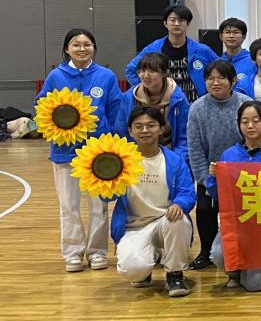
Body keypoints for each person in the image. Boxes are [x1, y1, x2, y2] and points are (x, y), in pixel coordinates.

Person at [37, 28, 126, 272]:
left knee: (99, 206)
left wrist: (113, 144)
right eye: (76, 44)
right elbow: (41, 106)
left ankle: (97, 252)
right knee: (69, 205)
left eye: (87, 44)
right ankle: (73, 252)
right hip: (65, 151)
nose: (82, 48)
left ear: (94, 48)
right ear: (67, 49)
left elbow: (115, 110)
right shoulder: (56, 76)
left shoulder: (106, 76)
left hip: (99, 152)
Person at [110, 106, 195, 297]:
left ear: (161, 129)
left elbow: (188, 192)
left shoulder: (174, 160)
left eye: (151, 125)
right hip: (134, 227)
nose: (145, 130)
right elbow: (107, 196)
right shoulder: (119, 160)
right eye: (138, 126)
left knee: (178, 220)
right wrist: (103, 178)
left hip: (164, 221)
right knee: (133, 271)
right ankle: (147, 263)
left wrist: (179, 204)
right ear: (130, 131)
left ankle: (175, 274)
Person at [210, 100, 261, 292]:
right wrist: (213, 178)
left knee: (255, 285)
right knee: (218, 254)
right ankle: (237, 273)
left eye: (255, 120)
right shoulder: (229, 154)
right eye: (244, 122)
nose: (250, 126)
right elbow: (218, 195)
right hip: (238, 223)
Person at [186, 59, 249, 270]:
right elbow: (195, 148)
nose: (215, 83)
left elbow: (253, 139)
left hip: (241, 172)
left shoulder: (245, 104)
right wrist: (205, 179)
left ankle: (243, 250)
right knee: (205, 209)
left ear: (233, 81)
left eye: (221, 78)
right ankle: (206, 253)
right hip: (210, 172)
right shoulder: (197, 108)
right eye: (210, 78)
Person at [126, 4, 218, 104]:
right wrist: (148, 90)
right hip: (165, 105)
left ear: (188, 24)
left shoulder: (202, 50)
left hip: (196, 104)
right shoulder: (153, 48)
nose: (177, 24)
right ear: (165, 23)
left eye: (181, 20)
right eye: (172, 20)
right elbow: (131, 70)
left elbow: (222, 69)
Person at [118, 52, 189, 163]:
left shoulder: (179, 99)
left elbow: (184, 137)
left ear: (165, 73)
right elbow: (121, 132)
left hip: (170, 154)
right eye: (142, 71)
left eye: (152, 71)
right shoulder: (128, 97)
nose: (146, 75)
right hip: (135, 156)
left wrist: (175, 162)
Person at [218, 17, 254, 84]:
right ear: (221, 36)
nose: (231, 36)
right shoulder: (217, 62)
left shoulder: (253, 61)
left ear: (243, 36)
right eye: (227, 32)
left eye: (236, 32)